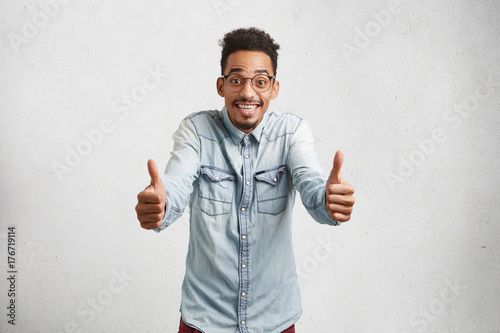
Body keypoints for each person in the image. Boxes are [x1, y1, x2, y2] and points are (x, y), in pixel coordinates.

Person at [135, 27, 355, 333]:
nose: (248, 93)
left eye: (260, 82)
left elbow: (312, 185)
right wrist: (161, 206)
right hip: (205, 322)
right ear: (221, 86)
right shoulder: (196, 131)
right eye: (236, 80)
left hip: (274, 321)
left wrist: (328, 202)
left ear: (274, 88)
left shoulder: (291, 133)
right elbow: (176, 183)